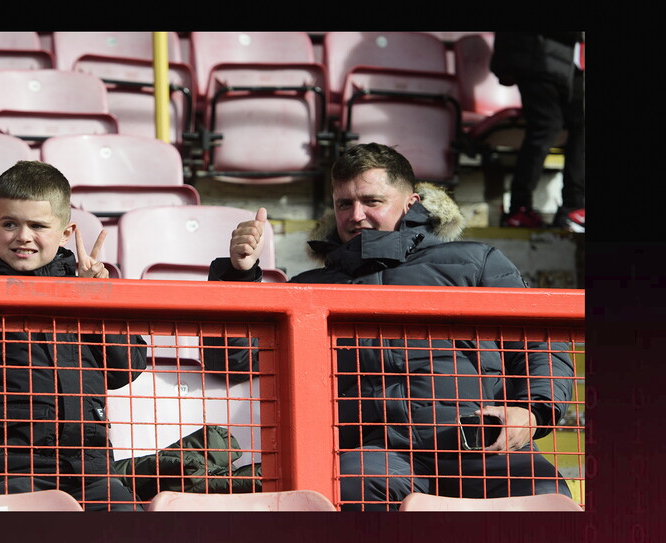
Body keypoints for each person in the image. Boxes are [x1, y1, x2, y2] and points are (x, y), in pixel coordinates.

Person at [207, 143, 575, 510]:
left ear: (411, 202)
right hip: (376, 454)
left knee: (544, 496)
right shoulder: (312, 285)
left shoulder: (475, 261)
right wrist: (238, 277)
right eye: (344, 204)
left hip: (476, 440)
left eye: (372, 201)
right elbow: (232, 361)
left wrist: (532, 410)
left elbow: (539, 344)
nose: (356, 215)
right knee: (348, 489)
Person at [0, 160, 148, 511]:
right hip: (4, 472)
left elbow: (126, 369)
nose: (23, 236)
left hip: (91, 472)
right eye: (10, 224)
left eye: (38, 225)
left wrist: (98, 305)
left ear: (65, 232)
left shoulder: (85, 289)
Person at [491, 32, 585, 231]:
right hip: (536, 55)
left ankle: (573, 207)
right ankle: (519, 207)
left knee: (579, 122)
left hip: (559, 60)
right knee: (547, 125)